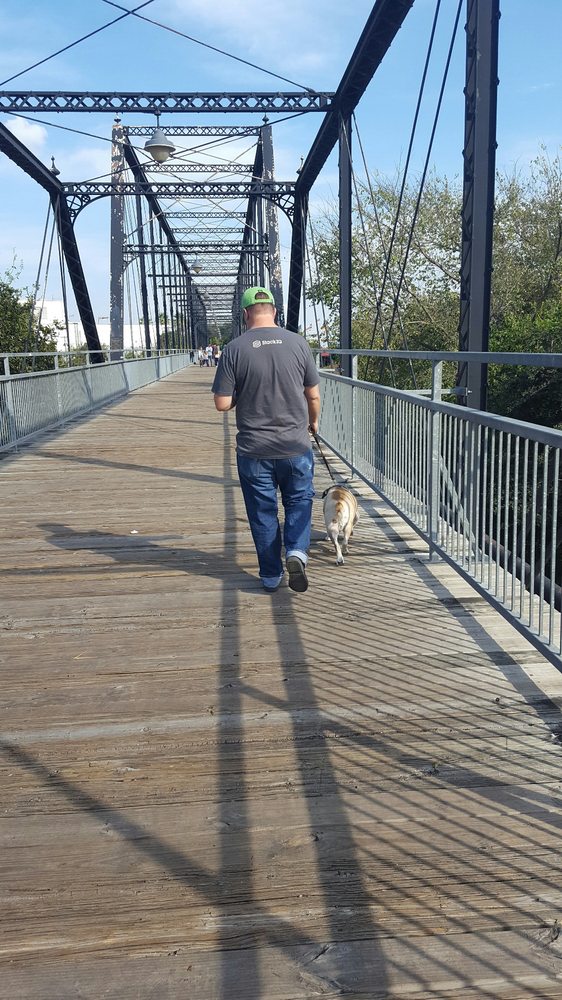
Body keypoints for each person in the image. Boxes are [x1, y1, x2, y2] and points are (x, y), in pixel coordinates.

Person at [212, 287, 320, 593]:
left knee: (263, 511)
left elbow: (221, 403)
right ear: (274, 310)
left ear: (245, 314)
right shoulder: (298, 344)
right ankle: (297, 551)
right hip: (295, 444)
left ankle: (271, 575)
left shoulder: (234, 349)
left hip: (254, 450)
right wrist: (313, 422)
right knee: (299, 501)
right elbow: (313, 394)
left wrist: (240, 395)